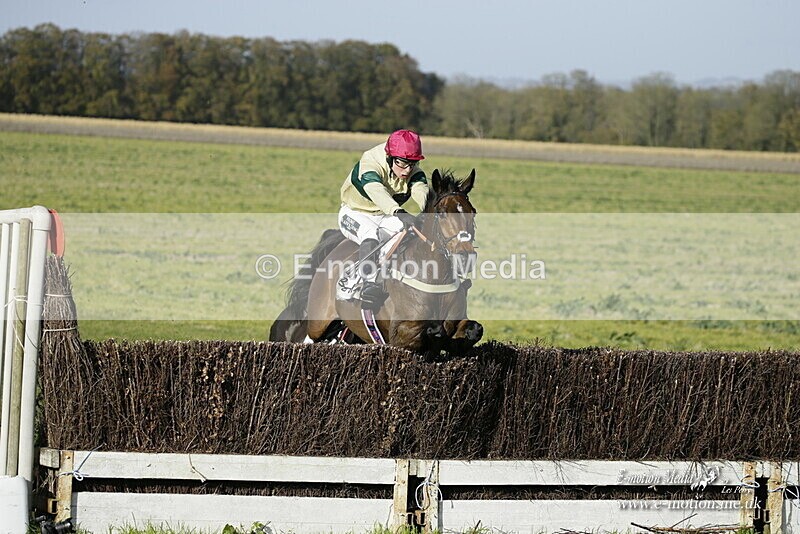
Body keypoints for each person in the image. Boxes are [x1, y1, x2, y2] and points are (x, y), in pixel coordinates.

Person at [338, 129, 430, 309]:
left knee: (409, 235)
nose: (407, 170)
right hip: (355, 213)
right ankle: (367, 283)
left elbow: (421, 191)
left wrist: (433, 212)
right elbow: (375, 190)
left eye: (412, 164)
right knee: (371, 235)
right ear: (389, 157)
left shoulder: (412, 170)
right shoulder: (370, 162)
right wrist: (398, 212)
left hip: (385, 215)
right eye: (402, 163)